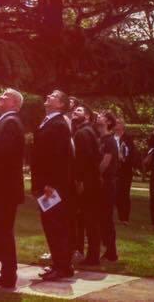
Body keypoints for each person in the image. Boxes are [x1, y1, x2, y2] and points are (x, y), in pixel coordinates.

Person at [32, 89, 74, 281]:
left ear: (61, 105)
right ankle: (59, 264)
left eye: (54, 97)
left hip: (52, 186)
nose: (48, 97)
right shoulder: (48, 121)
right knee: (50, 225)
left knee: (56, 226)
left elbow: (59, 157)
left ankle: (63, 267)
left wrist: (50, 183)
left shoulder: (58, 124)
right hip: (45, 184)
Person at [0, 88, 25, 288]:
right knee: (2, 230)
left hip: (5, 188)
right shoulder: (6, 120)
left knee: (3, 231)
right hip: (5, 188)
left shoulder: (10, 122)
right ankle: (5, 271)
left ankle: (8, 273)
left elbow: (3, 155)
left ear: (14, 104)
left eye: (5, 96)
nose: (0, 97)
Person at [72, 104, 102, 266]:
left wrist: (80, 181)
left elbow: (84, 159)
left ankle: (93, 256)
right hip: (92, 181)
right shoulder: (88, 131)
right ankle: (92, 254)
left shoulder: (83, 133)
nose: (75, 112)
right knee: (89, 220)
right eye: (74, 110)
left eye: (79, 110)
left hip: (88, 182)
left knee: (89, 220)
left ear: (88, 116)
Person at [96, 111, 119, 260]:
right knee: (100, 218)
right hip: (100, 183)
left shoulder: (110, 140)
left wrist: (95, 174)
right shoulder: (100, 138)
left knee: (106, 217)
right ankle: (106, 248)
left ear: (108, 122)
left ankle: (111, 251)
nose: (98, 116)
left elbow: (105, 162)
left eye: (102, 116)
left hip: (106, 183)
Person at [111, 117, 135, 224]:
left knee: (124, 193)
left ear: (123, 125)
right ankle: (113, 216)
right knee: (114, 193)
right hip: (113, 169)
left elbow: (132, 153)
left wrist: (124, 158)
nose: (116, 124)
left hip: (125, 170)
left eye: (119, 123)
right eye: (115, 123)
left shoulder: (128, 138)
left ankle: (124, 218)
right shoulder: (111, 137)